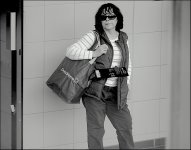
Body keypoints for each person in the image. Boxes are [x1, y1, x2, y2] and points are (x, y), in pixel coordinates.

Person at [66, 3, 134, 149]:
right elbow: (70, 51)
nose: (107, 19)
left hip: (117, 93)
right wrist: (94, 53)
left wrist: (126, 84)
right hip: (95, 94)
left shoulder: (123, 38)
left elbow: (128, 63)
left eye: (111, 16)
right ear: (100, 20)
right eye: (104, 17)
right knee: (95, 132)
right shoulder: (94, 36)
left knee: (125, 128)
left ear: (117, 19)